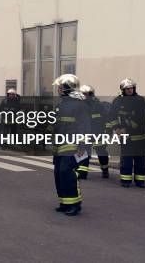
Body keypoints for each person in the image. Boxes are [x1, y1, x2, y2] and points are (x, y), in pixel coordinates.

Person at [50, 74, 91, 217]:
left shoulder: (79, 105)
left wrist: (82, 146)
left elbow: (84, 127)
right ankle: (65, 202)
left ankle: (75, 204)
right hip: (60, 146)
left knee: (67, 173)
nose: (58, 89)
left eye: (60, 87)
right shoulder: (61, 104)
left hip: (72, 145)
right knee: (59, 174)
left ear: (67, 88)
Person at [108, 79, 145, 188]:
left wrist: (127, 129)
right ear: (123, 90)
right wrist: (116, 128)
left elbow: (140, 118)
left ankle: (140, 180)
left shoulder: (140, 100)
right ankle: (126, 180)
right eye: (127, 89)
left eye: (131, 88)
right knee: (126, 159)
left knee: (140, 159)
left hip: (140, 135)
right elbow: (112, 116)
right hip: (125, 136)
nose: (130, 90)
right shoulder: (117, 101)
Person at [79, 85, 112, 179]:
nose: (83, 96)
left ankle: (103, 171)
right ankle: (84, 172)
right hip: (91, 133)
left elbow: (107, 119)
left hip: (96, 133)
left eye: (84, 94)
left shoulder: (98, 106)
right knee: (87, 152)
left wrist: (108, 132)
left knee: (99, 152)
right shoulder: (83, 106)